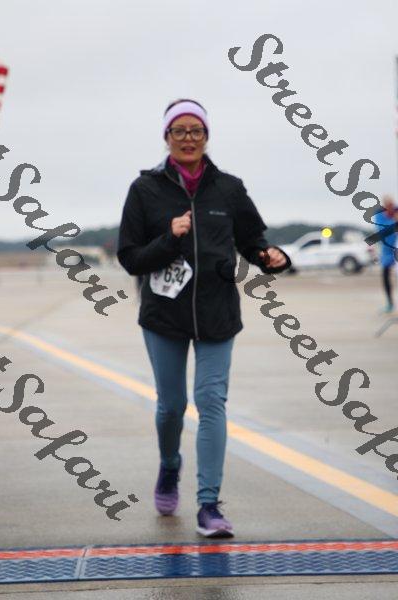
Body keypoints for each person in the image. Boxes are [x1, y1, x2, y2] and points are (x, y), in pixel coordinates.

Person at [117, 98, 291, 538]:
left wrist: (270, 256)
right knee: (171, 406)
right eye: (179, 131)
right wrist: (168, 238)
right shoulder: (145, 190)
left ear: (207, 136)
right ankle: (169, 465)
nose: (188, 138)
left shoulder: (229, 188)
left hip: (217, 313)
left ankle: (209, 505)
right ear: (166, 137)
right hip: (164, 314)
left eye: (196, 130)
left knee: (211, 401)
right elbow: (130, 258)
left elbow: (253, 239)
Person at [374, 195, 398, 313]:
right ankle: (389, 303)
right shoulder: (379, 216)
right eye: (388, 205)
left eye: (392, 205)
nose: (391, 207)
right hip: (387, 250)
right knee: (385, 275)